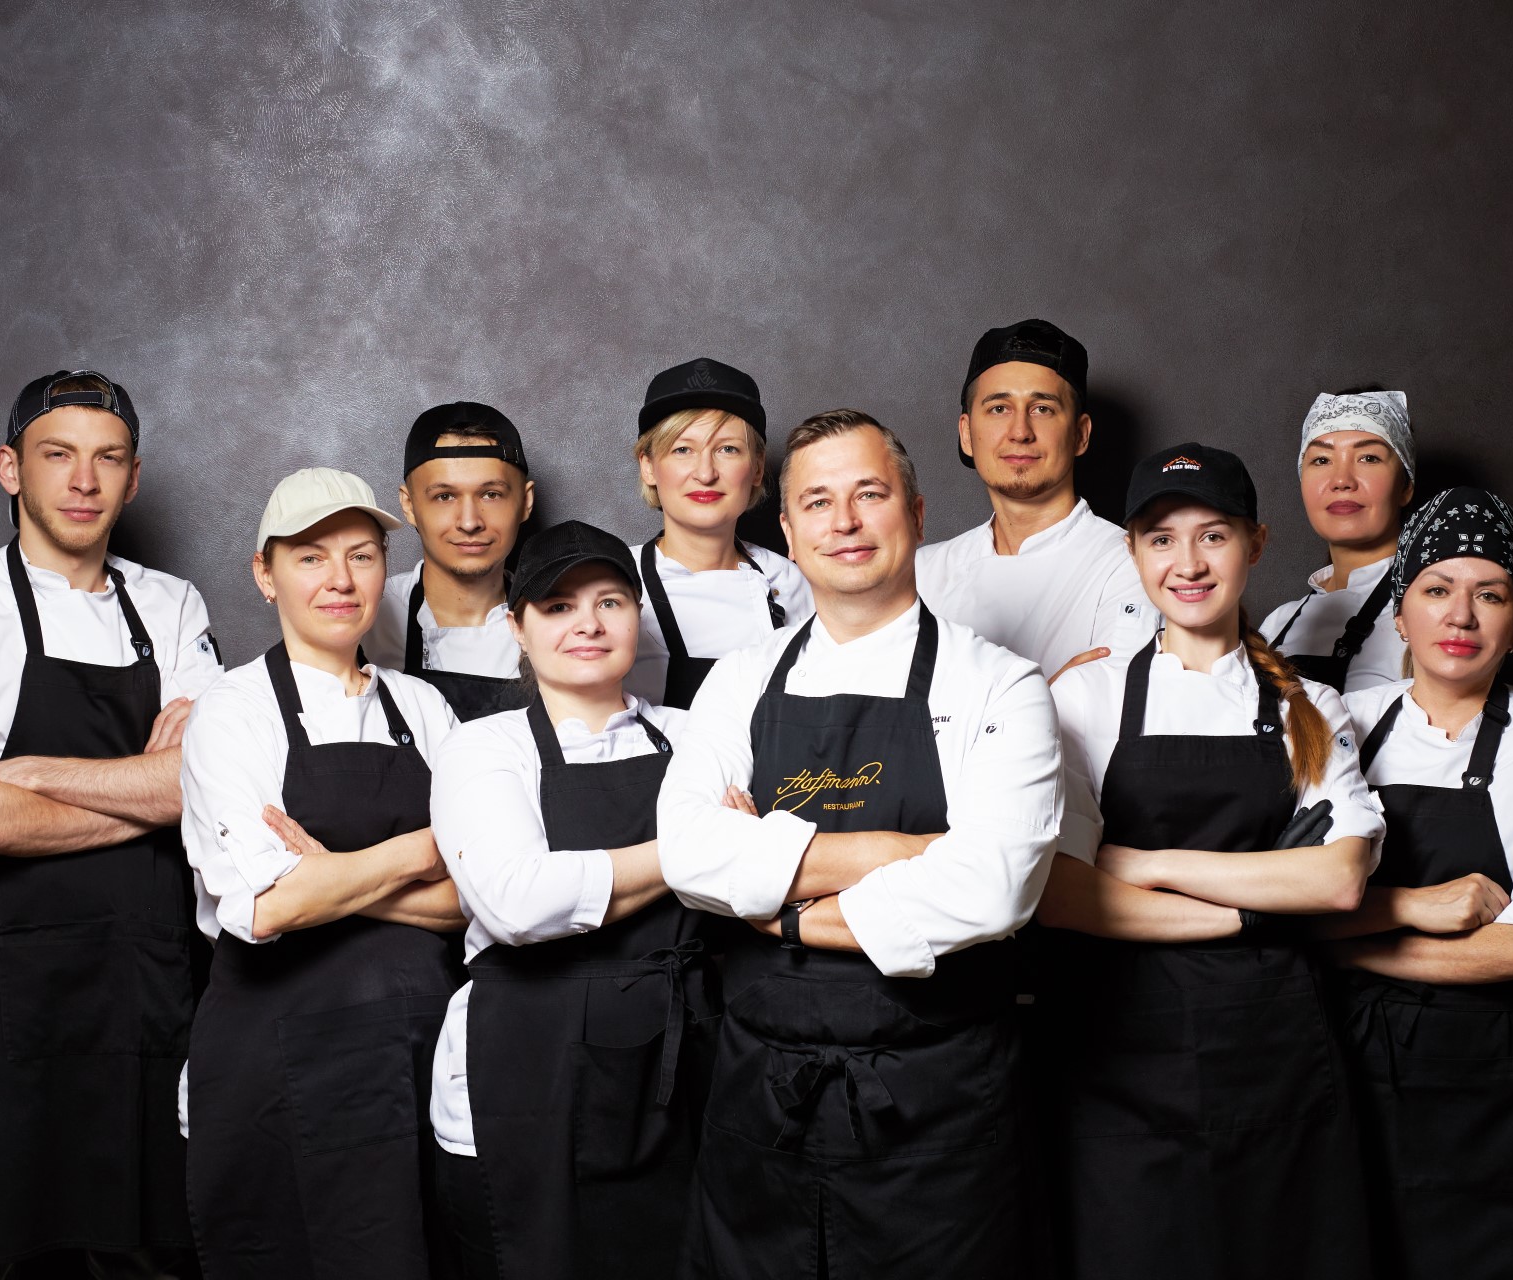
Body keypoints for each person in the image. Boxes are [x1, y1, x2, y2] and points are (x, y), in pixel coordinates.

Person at [658, 410, 1063, 1279]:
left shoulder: (1002, 684)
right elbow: (688, 852)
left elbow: (993, 887)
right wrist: (907, 849)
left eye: (869, 494)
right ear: (789, 531)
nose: (844, 521)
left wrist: (783, 908)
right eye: (817, 502)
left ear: (915, 512)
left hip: (939, 1110)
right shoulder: (740, 680)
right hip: (760, 1099)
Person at [0, 369, 221, 1277]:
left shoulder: (173, 606)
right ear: (11, 468)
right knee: (2, 1248)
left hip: (149, 990)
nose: (83, 480)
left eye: (108, 459)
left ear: (133, 478)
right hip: (2, 1003)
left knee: (154, 1249)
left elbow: (209, 789)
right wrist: (149, 796)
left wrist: (29, 774)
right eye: (57, 455)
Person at [1038, 442, 1385, 1279]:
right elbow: (1062, 892)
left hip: (1275, 1060)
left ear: (1256, 544)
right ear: (1132, 551)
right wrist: (1255, 907)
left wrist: (1146, 862)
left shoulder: (1309, 708)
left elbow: (1339, 879)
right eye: (1161, 539)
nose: (1187, 564)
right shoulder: (1085, 697)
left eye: (1214, 536)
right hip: (1118, 1059)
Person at [1320, 487, 1513, 1279]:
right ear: (1399, 613)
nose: (1461, 616)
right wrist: (1418, 909)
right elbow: (1285, 900)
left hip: (1500, 1092)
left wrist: (1348, 948)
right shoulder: (1338, 723)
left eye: (1490, 594)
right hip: (1344, 1073)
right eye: (1437, 589)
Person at [182, 468, 467, 1280]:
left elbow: (482, 895)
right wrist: (426, 849)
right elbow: (269, 906)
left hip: (420, 1056)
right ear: (265, 574)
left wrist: (333, 874)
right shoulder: (231, 712)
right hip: (280, 1066)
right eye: (310, 557)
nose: (340, 579)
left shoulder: (425, 710)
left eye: (362, 555)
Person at [425, 521, 719, 1280]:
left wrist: (719, 857)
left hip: (679, 1068)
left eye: (609, 602)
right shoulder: (484, 747)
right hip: (530, 1074)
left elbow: (757, 873)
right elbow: (516, 903)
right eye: (557, 606)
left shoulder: (696, 737)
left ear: (637, 617)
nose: (587, 623)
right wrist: (695, 850)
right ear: (517, 626)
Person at [914, 318, 1156, 679]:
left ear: (1080, 434)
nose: (1020, 432)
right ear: (966, 433)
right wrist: (1055, 687)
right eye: (999, 408)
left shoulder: (1132, 566)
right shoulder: (921, 573)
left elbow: (1111, 704)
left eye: (1042, 408)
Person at [626, 357, 811, 707]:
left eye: (728, 449)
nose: (705, 473)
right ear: (648, 467)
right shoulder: (614, 580)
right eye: (682, 449)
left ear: (757, 468)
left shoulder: (791, 583)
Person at [362, 402, 535, 719]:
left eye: (491, 494)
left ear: (526, 501)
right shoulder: (364, 619)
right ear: (409, 505)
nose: (469, 522)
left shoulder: (562, 624)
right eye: (444, 496)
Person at [1260, 389, 1416, 692]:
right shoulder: (1278, 623)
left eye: (1368, 458)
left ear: (1406, 486)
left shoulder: (1433, 616)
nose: (1342, 480)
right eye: (1321, 460)